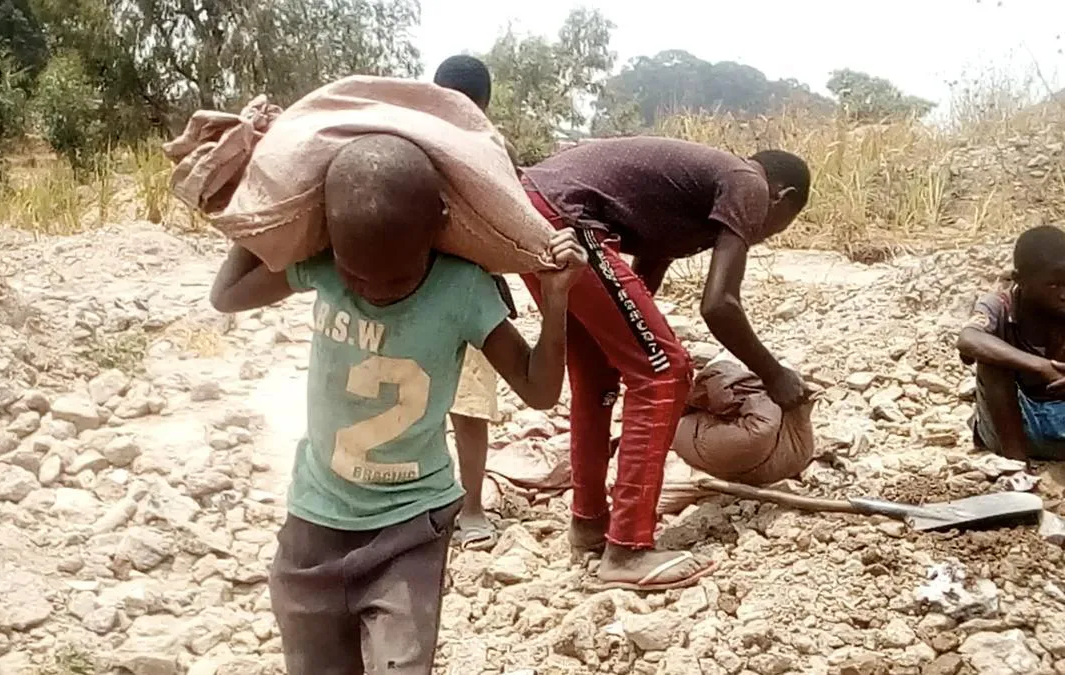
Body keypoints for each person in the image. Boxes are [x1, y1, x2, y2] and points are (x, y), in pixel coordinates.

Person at [209, 133, 586, 674]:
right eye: (356, 275)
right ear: (329, 240)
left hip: (410, 526)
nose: (376, 292)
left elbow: (539, 390)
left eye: (399, 278)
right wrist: (268, 186)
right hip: (314, 525)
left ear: (438, 227)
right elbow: (226, 296)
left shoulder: (462, 288)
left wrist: (555, 302)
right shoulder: (318, 265)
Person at [519, 136, 812, 591]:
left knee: (600, 374)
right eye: (777, 226)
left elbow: (646, 267)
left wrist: (633, 340)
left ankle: (590, 523)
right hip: (572, 221)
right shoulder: (748, 183)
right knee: (665, 374)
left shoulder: (690, 198)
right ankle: (629, 549)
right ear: (783, 196)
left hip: (536, 212)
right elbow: (720, 306)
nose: (762, 232)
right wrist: (775, 375)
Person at [432, 53, 518, 548]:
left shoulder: (413, 133)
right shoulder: (492, 145)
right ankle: (468, 509)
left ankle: (459, 506)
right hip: (472, 291)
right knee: (467, 408)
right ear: (486, 101)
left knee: (442, 402)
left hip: (419, 284)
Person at [957, 224, 1065, 461]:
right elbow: (968, 340)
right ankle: (1017, 467)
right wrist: (1041, 367)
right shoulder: (1000, 305)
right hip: (1015, 432)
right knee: (992, 355)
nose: (1063, 293)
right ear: (1020, 280)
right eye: (1053, 284)